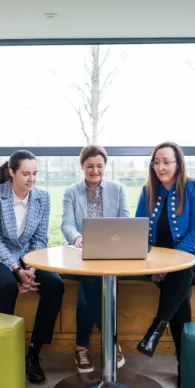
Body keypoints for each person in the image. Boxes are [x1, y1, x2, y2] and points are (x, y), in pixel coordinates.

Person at [0, 150, 64, 385]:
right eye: (26, 174)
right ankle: (0, 352)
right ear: (12, 172)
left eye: (35, 174)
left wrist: (32, 269)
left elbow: (40, 239)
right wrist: (16, 270)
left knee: (55, 284)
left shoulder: (42, 198)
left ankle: (34, 353)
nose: (31, 179)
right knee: (6, 285)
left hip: (28, 257)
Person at [134, 141, 195, 386]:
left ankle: (155, 330)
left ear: (178, 164)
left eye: (166, 162)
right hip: (160, 265)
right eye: (156, 162)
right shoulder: (148, 191)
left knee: (182, 272)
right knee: (181, 291)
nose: (161, 167)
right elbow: (137, 231)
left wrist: (169, 265)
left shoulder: (193, 188)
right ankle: (186, 366)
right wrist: (155, 265)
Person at [61, 145, 130, 373]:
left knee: (90, 284)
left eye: (99, 166)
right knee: (91, 280)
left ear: (105, 167)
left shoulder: (118, 189)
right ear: (82, 167)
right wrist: (77, 237)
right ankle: (110, 340)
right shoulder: (71, 192)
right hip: (80, 254)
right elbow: (67, 223)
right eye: (90, 166)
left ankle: (81, 347)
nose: (95, 171)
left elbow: (125, 220)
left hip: (111, 254)